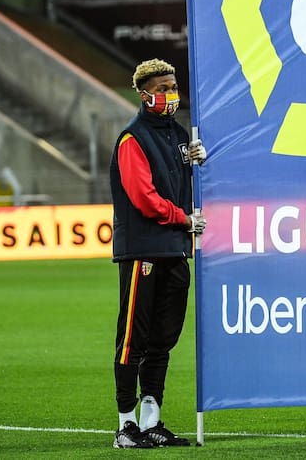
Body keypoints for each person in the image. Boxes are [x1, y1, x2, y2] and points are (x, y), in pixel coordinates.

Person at [109, 58, 207, 449]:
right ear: (143, 92)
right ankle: (125, 425)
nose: (169, 95)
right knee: (133, 338)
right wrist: (183, 219)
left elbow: (180, 181)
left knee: (162, 341)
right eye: (162, 88)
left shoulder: (180, 136)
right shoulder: (132, 139)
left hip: (174, 251)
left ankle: (152, 421)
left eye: (173, 86)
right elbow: (144, 199)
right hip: (143, 250)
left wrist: (197, 162)